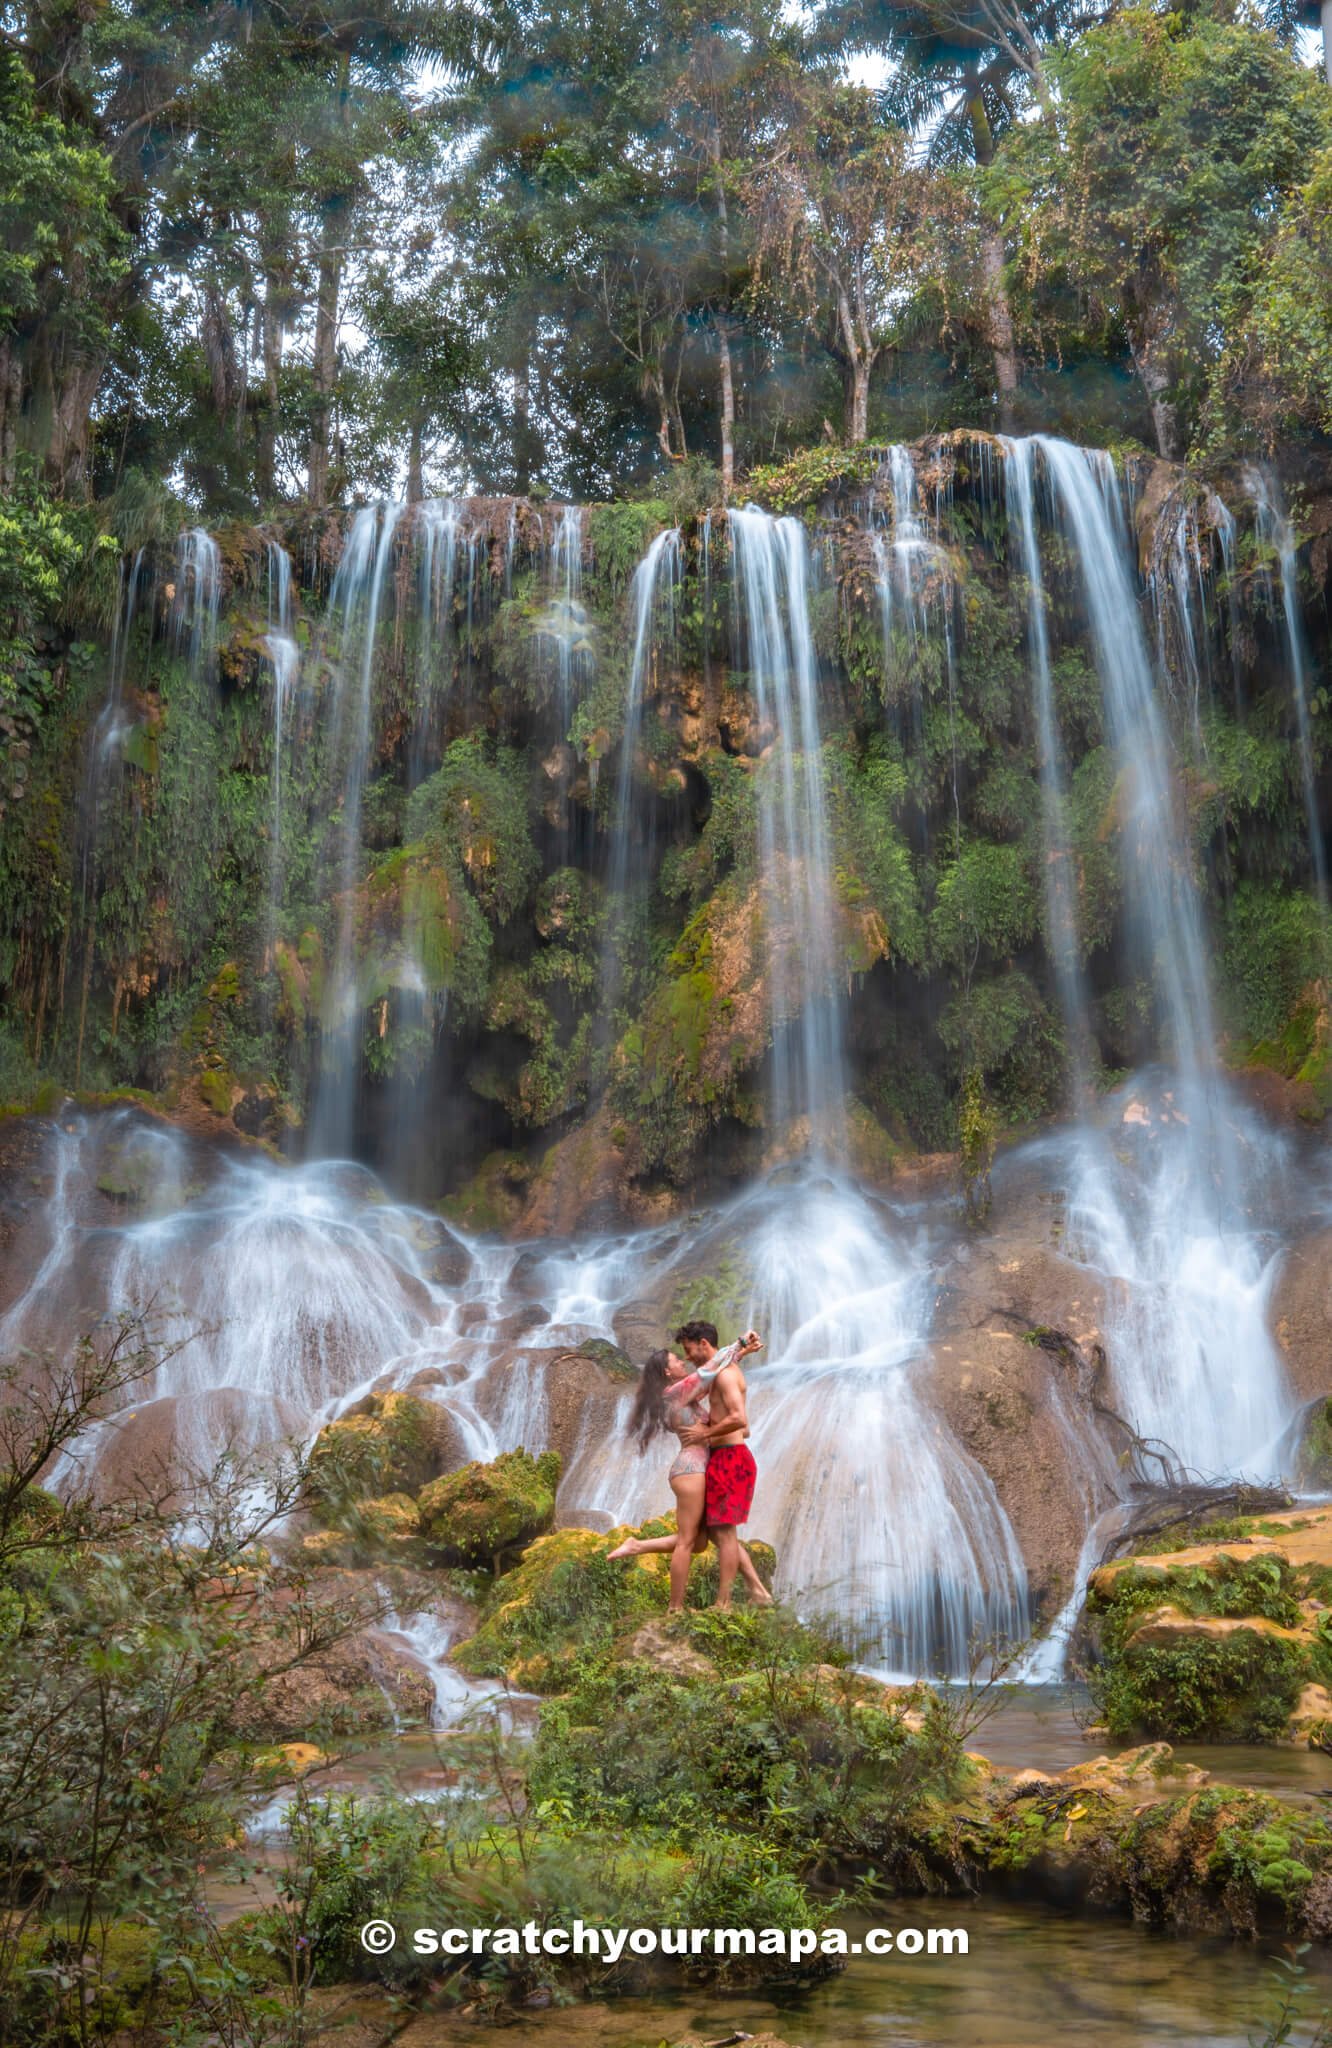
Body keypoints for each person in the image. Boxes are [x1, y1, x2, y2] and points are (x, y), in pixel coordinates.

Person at [607, 1327, 771, 1612]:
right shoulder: (674, 1394)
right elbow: (707, 1371)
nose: (683, 1362)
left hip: (700, 1466)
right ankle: (675, 1608)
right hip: (692, 1469)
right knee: (688, 1542)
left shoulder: (683, 1395)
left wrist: (740, 1355)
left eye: (683, 1356)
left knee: (700, 1541)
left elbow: (714, 1378)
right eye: (676, 1361)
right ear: (667, 1373)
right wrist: (740, 1341)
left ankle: (637, 1546)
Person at [677, 1316, 760, 1611]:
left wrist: (706, 1432)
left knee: (724, 1535)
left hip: (731, 1458)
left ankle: (723, 1603)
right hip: (726, 1456)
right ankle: (758, 1591)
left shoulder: (724, 1376)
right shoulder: (721, 1371)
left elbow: (739, 1419)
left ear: (703, 1344)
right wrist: (743, 1348)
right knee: (718, 1532)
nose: (687, 1357)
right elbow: (743, 1427)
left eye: (688, 1350)